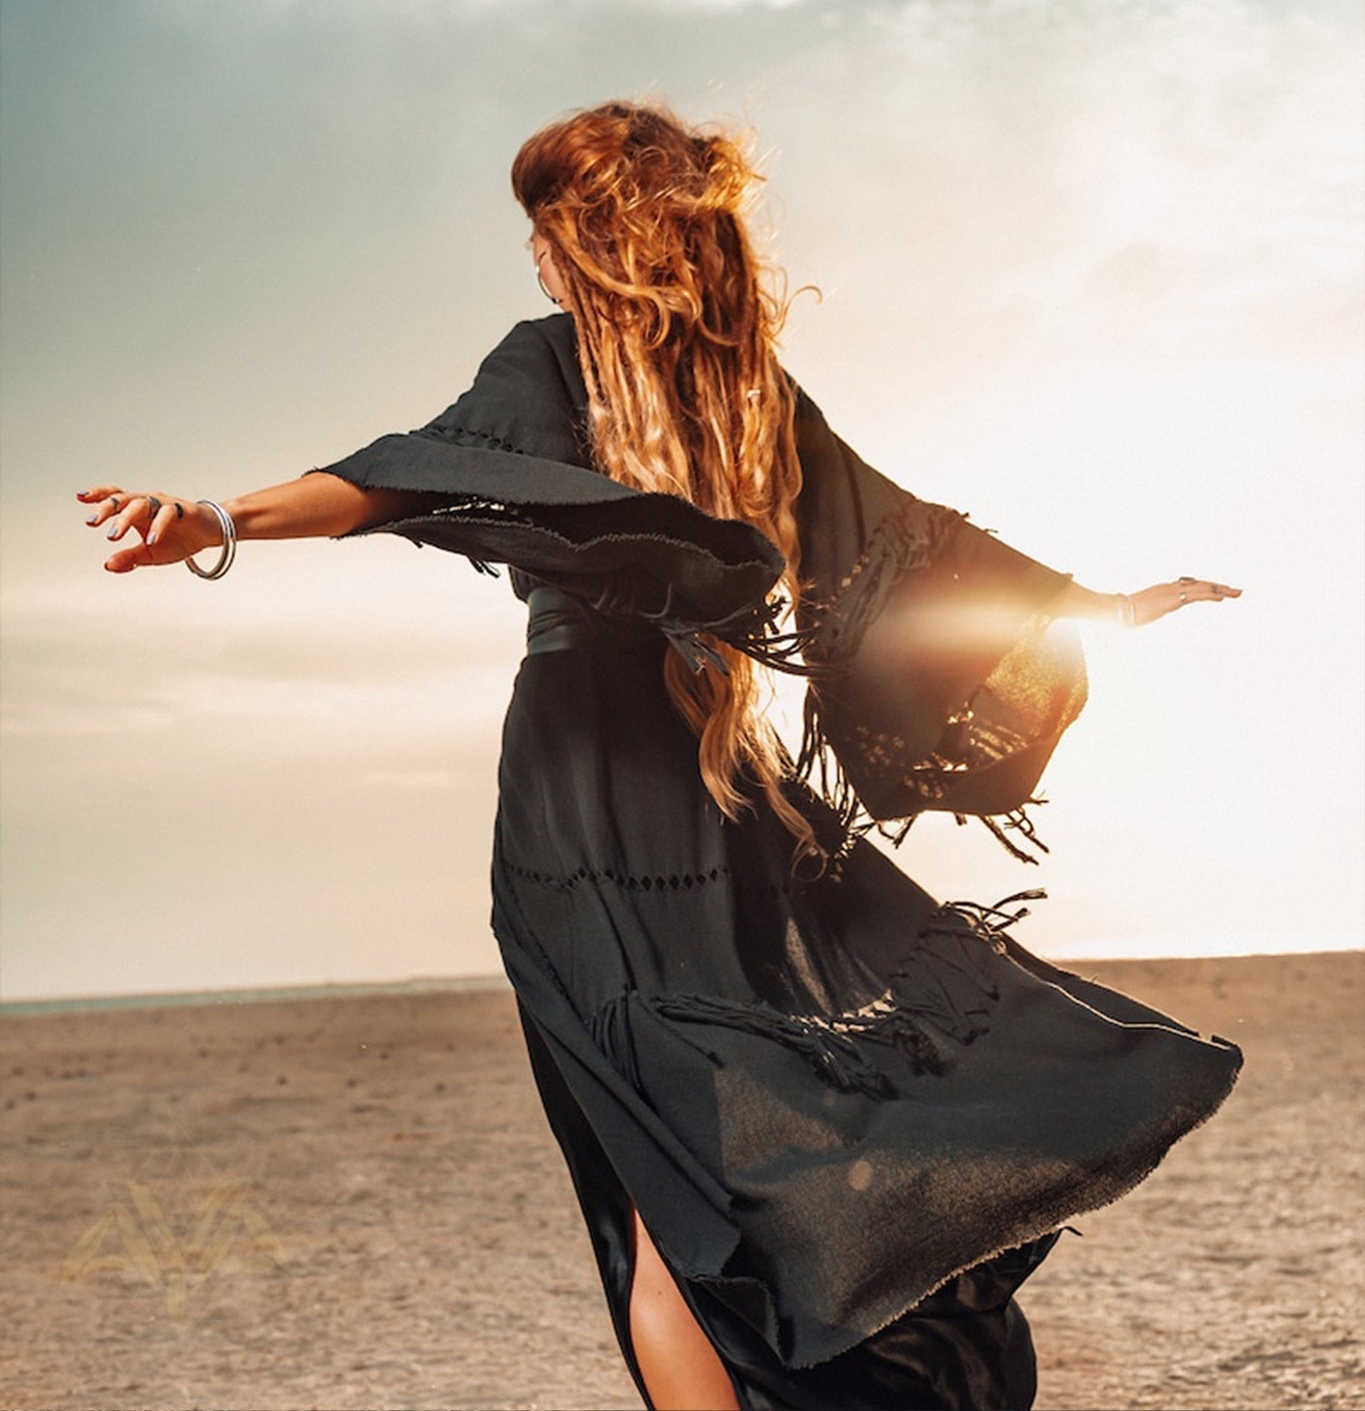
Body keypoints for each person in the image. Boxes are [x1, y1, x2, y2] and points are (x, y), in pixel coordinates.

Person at [79, 100, 1242, 1411]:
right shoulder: (735, 391)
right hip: (724, 795)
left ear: (587, 232)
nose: (538, 257)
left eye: (545, 227)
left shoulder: (585, 365)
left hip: (594, 797)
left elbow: (417, 476)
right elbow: (912, 556)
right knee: (738, 1152)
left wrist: (217, 519)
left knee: (655, 1196)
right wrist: (1099, 608)